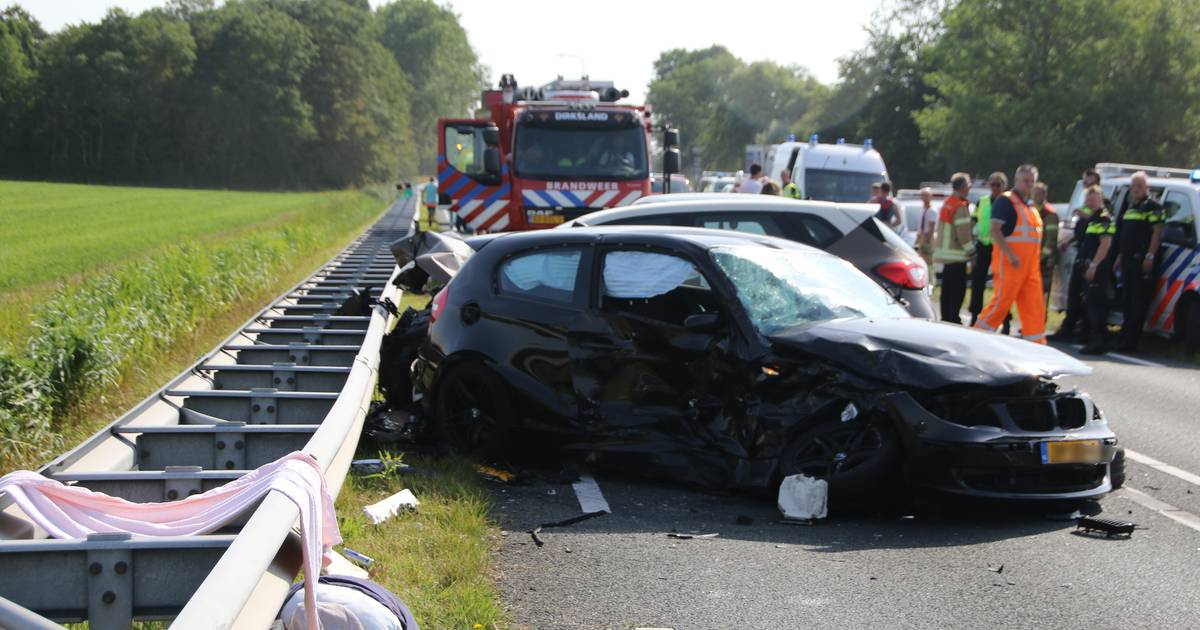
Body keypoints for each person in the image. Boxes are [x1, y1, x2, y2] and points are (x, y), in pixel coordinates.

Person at [974, 164, 1046, 344]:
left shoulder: (1031, 206)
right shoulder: (1006, 201)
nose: (1028, 184)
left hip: (1030, 269)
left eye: (1031, 181)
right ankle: (975, 340)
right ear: (1017, 181)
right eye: (1025, 180)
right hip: (1010, 265)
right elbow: (995, 230)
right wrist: (1011, 255)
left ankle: (1038, 350)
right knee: (1000, 305)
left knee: (1034, 309)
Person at [1114, 171, 1165, 352]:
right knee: (1127, 301)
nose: (1136, 189)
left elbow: (1157, 233)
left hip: (1141, 260)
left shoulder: (1153, 207)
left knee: (1137, 303)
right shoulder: (1131, 207)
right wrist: (1120, 257)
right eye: (1133, 186)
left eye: (1139, 186)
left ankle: (1131, 342)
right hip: (1128, 260)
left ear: (1147, 188)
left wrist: (1150, 255)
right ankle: (1123, 337)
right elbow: (1125, 236)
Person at [1071, 185, 1117, 354]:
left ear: (1100, 199)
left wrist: (1093, 266)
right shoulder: (1093, 218)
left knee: (1096, 306)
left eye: (1092, 199)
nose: (1089, 202)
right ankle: (1095, 339)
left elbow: (1105, 244)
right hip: (1091, 266)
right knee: (1090, 304)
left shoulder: (1103, 218)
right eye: (1087, 199)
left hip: (1098, 268)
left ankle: (1098, 342)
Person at [970, 172, 1010, 333]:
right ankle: (975, 316)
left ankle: (1006, 321)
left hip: (1000, 248)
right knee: (977, 283)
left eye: (998, 185)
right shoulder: (983, 202)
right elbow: (973, 220)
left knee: (1002, 286)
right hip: (983, 246)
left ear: (1004, 186)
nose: (994, 188)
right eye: (992, 184)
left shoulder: (1008, 203)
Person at [933, 173, 974, 323]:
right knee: (957, 291)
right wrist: (972, 253)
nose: (969, 189)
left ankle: (946, 317)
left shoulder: (948, 203)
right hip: (957, 256)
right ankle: (953, 318)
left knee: (947, 290)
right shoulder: (960, 206)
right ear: (963, 187)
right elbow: (963, 233)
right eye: (969, 186)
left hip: (946, 256)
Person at [1032, 182, 1059, 305]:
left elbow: (1051, 240)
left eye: (1039, 193)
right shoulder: (1031, 209)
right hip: (1032, 259)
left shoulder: (1050, 214)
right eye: (1035, 193)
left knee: (1041, 294)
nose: (1036, 196)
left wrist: (1042, 257)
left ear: (1045, 195)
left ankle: (1039, 323)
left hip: (1044, 263)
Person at [916, 187, 938, 276]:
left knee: (928, 261)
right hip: (922, 237)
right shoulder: (923, 210)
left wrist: (927, 241)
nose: (924, 198)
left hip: (927, 239)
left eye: (926, 195)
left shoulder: (932, 210)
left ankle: (931, 279)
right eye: (923, 195)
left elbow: (931, 228)